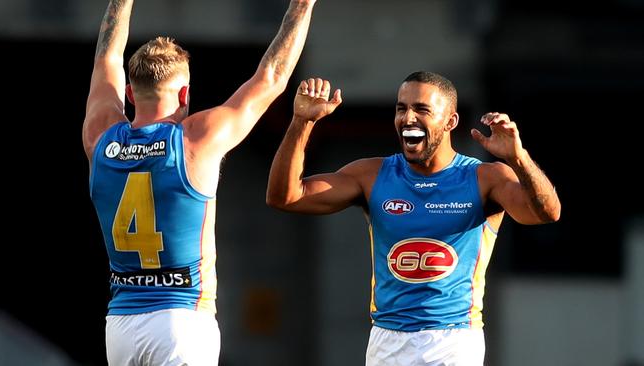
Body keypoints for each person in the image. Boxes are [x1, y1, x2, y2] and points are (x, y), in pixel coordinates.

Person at [266, 73, 561, 365]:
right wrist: (301, 122)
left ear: (450, 122)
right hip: (386, 339)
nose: (408, 118)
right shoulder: (371, 175)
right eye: (401, 108)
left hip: (453, 338)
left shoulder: (485, 178)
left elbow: (546, 213)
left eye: (422, 109)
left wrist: (519, 158)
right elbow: (286, 196)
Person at [82, 0, 318, 364]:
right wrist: (302, 6)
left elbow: (107, 60)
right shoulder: (195, 140)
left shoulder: (100, 138)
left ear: (130, 95)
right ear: (184, 94)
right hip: (182, 321)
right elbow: (271, 78)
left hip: (121, 324)